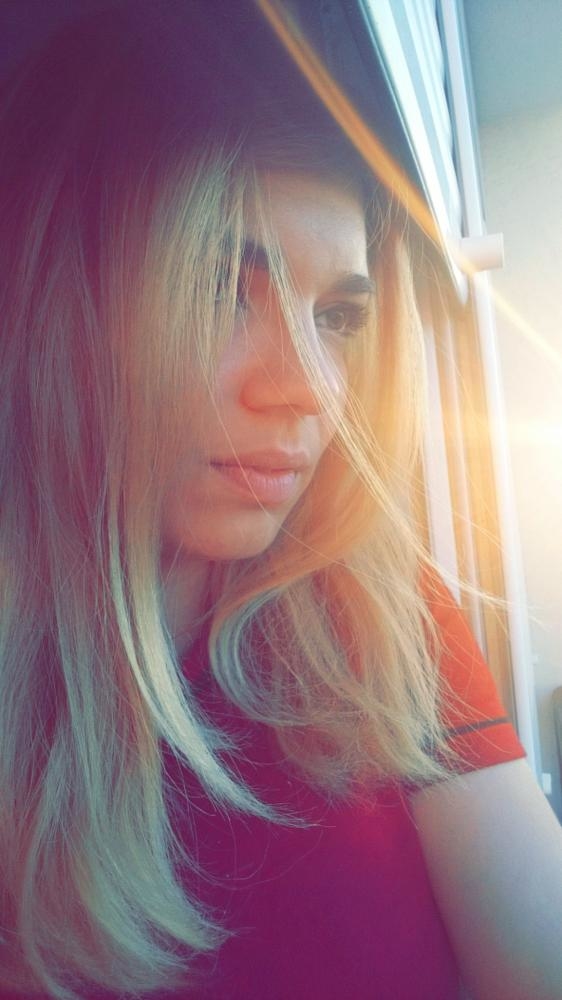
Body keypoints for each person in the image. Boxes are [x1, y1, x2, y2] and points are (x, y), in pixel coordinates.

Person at [0, 3, 561, 999]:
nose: (309, 390)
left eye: (337, 316)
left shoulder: (383, 619)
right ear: (66, 310)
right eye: (220, 286)